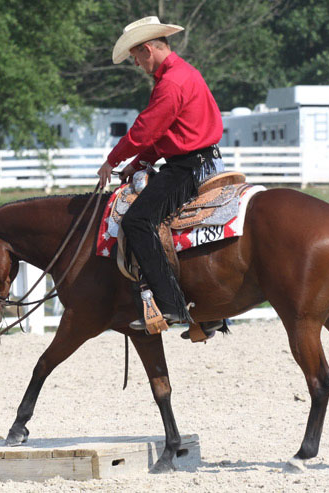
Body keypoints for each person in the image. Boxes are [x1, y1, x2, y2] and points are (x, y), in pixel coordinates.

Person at [97, 16, 224, 332]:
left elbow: (145, 130)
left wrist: (111, 161)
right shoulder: (183, 74)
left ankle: (169, 305)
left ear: (146, 48)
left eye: (136, 57)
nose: (137, 64)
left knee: (137, 221)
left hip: (188, 168)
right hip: (198, 160)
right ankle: (209, 310)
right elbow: (166, 135)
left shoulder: (171, 83)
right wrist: (138, 163)